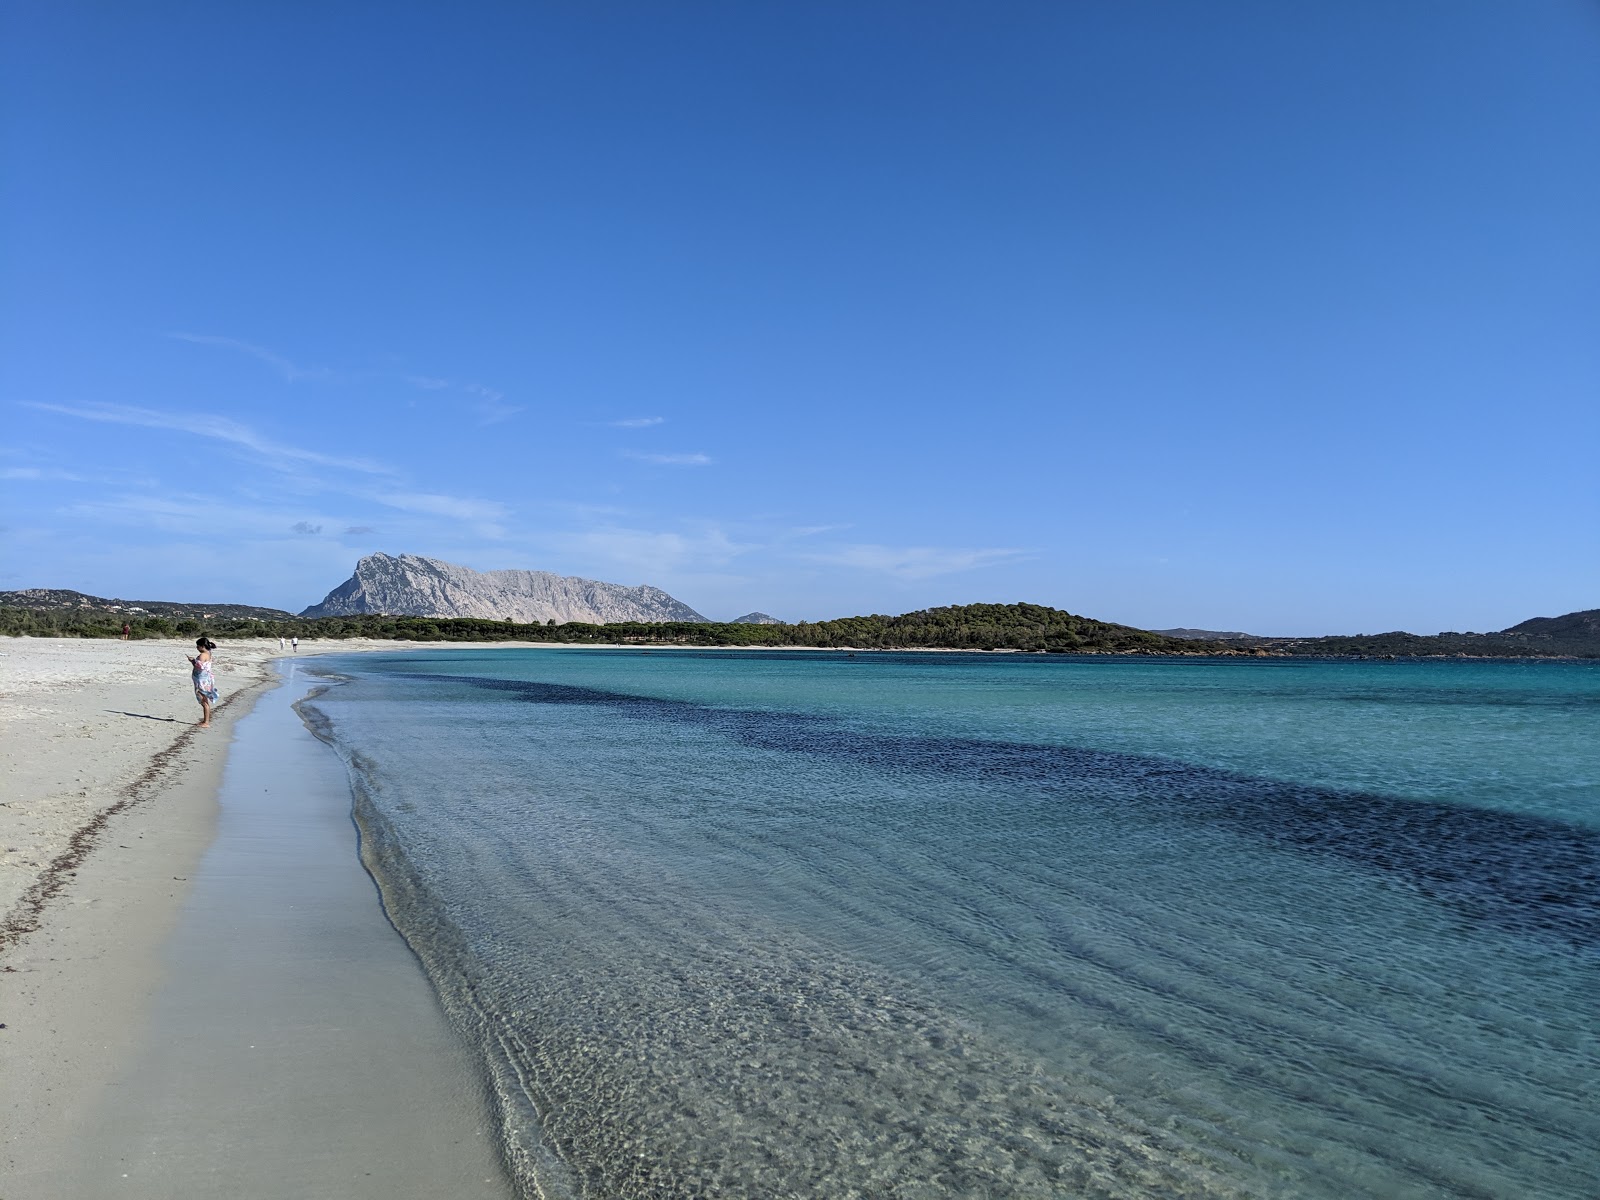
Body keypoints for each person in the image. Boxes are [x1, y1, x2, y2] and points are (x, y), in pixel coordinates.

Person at [187, 637, 219, 728]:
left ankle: (206, 722)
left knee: (204, 701)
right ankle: (205, 721)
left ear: (202, 646)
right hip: (205, 680)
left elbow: (199, 667)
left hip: (202, 681)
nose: (197, 648)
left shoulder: (203, 655)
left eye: (198, 646)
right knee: (204, 701)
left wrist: (192, 661)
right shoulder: (208, 653)